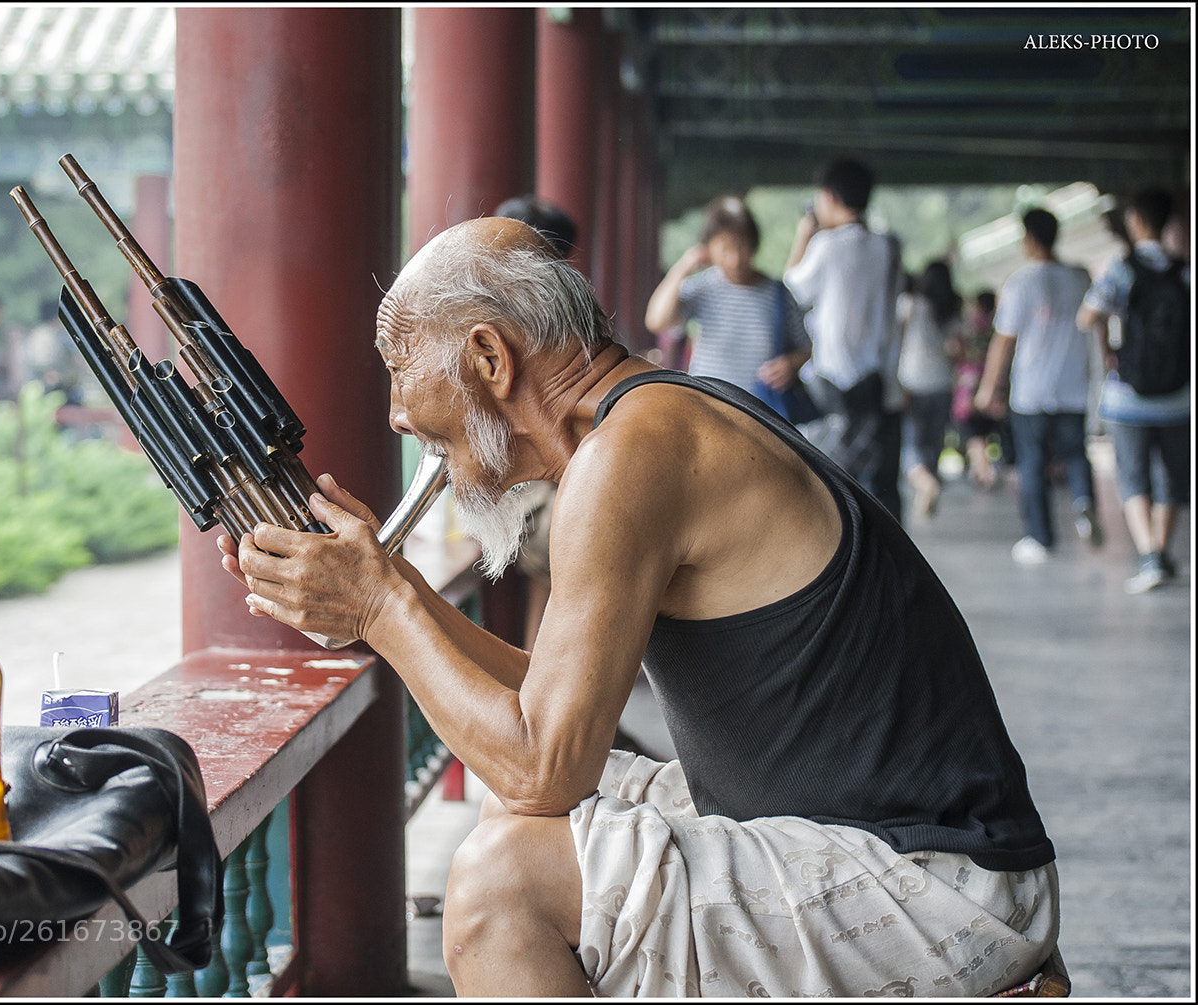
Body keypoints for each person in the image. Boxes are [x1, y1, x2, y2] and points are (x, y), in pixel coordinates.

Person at [218, 217, 1058, 997]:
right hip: (879, 836)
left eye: (401, 368)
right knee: (509, 814)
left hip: (945, 885)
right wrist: (377, 597)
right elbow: (549, 718)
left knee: (499, 884)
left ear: (487, 358)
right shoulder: (646, 419)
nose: (399, 414)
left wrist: (381, 604)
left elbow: (545, 766)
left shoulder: (631, 454)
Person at [1077, 188, 1190, 594]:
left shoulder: (1120, 270)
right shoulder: (1185, 272)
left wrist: (1110, 350)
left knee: (1133, 477)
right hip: (1181, 398)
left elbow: (1086, 316)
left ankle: (1149, 556)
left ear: (1136, 222)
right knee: (1173, 480)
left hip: (1128, 397)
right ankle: (1160, 551)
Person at [975, 209, 1100, 567]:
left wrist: (988, 388)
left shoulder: (1021, 282)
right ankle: (1082, 499)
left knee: (1032, 462)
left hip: (1031, 390)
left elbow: (1004, 341)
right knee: (1076, 453)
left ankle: (1040, 538)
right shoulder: (1080, 277)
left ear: (1029, 239)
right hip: (1073, 386)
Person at [784, 158, 905, 521]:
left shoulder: (828, 245)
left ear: (830, 197)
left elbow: (793, 290)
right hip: (874, 378)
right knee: (875, 474)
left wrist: (803, 237)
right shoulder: (887, 247)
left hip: (831, 378)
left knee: (830, 476)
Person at [492, 194, 580, 647]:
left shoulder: (557, 320)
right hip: (513, 496)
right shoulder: (498, 320)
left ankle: (551, 698)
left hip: (544, 489)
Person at [644, 194, 811, 408]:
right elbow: (657, 320)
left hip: (761, 411)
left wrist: (791, 364)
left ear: (755, 243)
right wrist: (685, 265)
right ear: (709, 248)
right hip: (707, 405)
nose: (735, 259)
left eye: (742, 246)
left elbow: (805, 346)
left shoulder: (778, 293)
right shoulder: (703, 287)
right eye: (725, 249)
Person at [896, 260, 962, 521]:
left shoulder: (909, 304)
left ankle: (924, 483)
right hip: (943, 383)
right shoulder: (951, 310)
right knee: (934, 440)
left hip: (912, 381)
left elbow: (896, 343)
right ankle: (929, 482)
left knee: (911, 441)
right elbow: (958, 350)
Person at [953, 290, 1004, 489]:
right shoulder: (996, 327)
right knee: (981, 431)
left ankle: (984, 472)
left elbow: (962, 354)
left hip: (971, 387)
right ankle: (980, 469)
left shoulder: (971, 327)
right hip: (993, 386)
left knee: (973, 432)